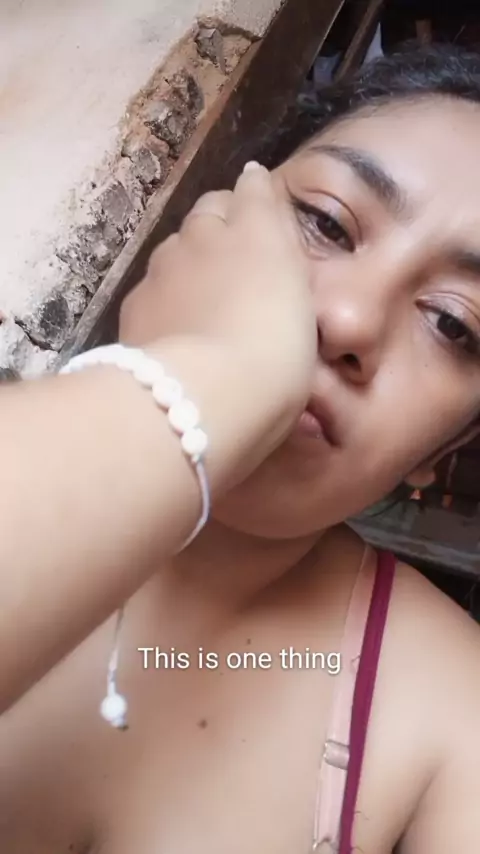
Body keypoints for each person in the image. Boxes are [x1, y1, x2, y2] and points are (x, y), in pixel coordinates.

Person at [2, 42, 480, 854]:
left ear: (445, 447)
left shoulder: (455, 716)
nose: (348, 319)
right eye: (326, 223)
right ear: (207, 223)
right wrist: (212, 380)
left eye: (453, 324)